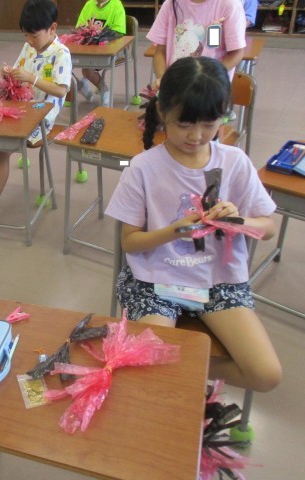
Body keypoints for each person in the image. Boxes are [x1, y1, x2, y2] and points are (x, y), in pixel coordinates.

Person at [105, 57, 282, 393]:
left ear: (223, 117)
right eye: (184, 124)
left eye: (208, 124)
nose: (196, 136)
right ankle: (178, 371)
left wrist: (237, 221)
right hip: (157, 280)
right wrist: (176, 230)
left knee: (266, 374)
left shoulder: (234, 162)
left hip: (218, 281)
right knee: (144, 368)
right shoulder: (142, 168)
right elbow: (130, 242)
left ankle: (184, 367)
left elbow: (268, 228)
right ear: (162, 111)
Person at [0, 0, 72, 224]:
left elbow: (61, 90)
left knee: (1, 149)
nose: (29, 40)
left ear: (52, 29)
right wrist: (9, 72)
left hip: (41, 116)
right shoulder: (30, 46)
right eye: (25, 35)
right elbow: (19, 71)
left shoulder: (61, 54)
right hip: (18, 107)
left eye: (33, 36)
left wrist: (32, 79)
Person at [147, 0, 247, 88]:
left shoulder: (230, 5)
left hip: (211, 89)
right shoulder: (170, 4)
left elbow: (236, 53)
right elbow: (160, 51)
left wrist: (210, 78)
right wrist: (162, 78)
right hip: (176, 87)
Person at [75, 0, 126, 105]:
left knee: (86, 70)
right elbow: (79, 28)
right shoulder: (89, 4)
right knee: (66, 63)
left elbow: (118, 33)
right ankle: (79, 86)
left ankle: (104, 90)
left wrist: (98, 35)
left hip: (110, 50)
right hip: (89, 48)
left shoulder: (116, 4)